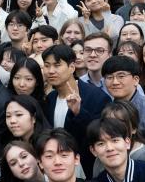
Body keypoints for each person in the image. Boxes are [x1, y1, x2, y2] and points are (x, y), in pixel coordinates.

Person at [42, 44, 110, 173]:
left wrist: (78, 112)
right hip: (55, 168)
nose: (50, 71)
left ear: (72, 67)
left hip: (85, 169)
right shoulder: (50, 99)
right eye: (47, 65)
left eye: (57, 65)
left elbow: (99, 135)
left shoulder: (96, 96)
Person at [102, 55, 145, 133]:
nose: (115, 82)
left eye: (121, 76)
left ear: (136, 80)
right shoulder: (103, 107)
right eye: (109, 77)